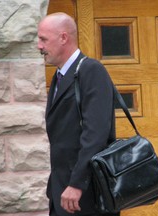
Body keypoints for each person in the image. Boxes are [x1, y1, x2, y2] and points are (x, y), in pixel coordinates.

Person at [37, 12, 119, 216]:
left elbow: (96, 134)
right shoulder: (60, 75)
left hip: (86, 196)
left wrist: (77, 184)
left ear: (63, 38)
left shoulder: (91, 70)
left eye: (43, 39)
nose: (39, 46)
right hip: (62, 193)